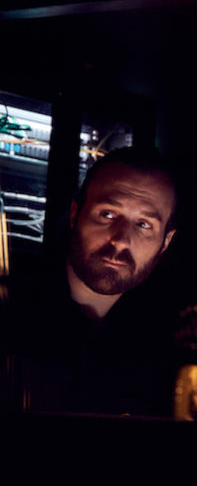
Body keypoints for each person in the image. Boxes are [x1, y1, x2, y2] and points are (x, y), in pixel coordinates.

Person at [1, 146, 181, 416]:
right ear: (76, 214)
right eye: (108, 214)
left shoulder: (168, 345)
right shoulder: (9, 308)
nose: (121, 240)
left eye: (144, 225)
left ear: (165, 242)